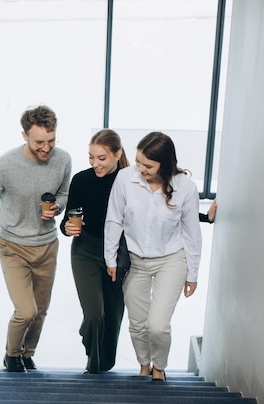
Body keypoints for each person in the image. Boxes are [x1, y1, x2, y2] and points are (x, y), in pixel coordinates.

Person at [0, 105, 72, 372]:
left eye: (51, 141)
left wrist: (57, 208)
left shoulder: (63, 160)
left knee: (41, 310)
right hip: (13, 247)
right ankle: (11, 355)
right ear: (24, 135)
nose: (46, 148)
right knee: (26, 310)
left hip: (47, 246)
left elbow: (65, 194)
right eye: (39, 142)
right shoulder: (5, 165)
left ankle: (28, 354)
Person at [104, 131, 202, 381]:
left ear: (165, 164)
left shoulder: (186, 188)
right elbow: (114, 219)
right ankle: (143, 365)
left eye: (148, 165)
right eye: (138, 162)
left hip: (171, 260)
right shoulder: (125, 179)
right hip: (134, 261)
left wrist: (193, 274)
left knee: (158, 325)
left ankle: (159, 367)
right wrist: (110, 258)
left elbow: (192, 234)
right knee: (137, 323)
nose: (141, 169)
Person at [59, 129, 129, 374]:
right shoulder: (81, 179)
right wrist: (67, 227)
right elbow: (68, 219)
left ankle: (104, 362)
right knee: (94, 316)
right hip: (85, 251)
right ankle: (93, 363)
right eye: (91, 157)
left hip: (118, 254)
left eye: (102, 158)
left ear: (117, 154)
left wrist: (205, 217)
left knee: (113, 316)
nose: (95, 163)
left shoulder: (130, 182)